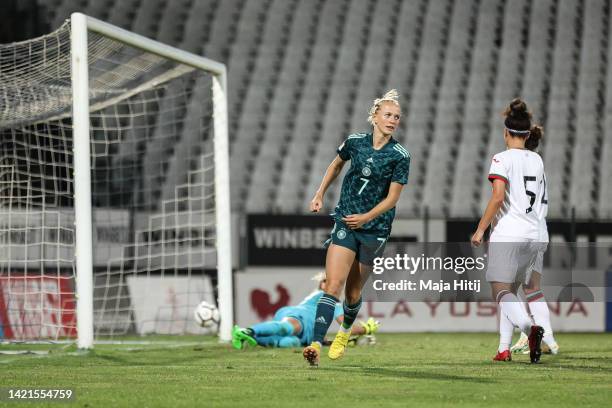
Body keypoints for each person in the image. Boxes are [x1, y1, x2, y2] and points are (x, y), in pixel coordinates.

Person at [302, 89, 410, 366]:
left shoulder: (400, 155)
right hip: (345, 221)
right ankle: (315, 344)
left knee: (352, 293)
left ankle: (346, 330)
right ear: (374, 116)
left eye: (396, 117)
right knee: (333, 284)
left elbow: (393, 198)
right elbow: (336, 165)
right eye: (387, 114)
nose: (392, 120)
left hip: (375, 229)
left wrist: (366, 218)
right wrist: (319, 194)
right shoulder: (354, 142)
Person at [471, 98, 546, 364]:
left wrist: (481, 229)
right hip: (533, 234)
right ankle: (503, 348)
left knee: (500, 291)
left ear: (506, 132)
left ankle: (529, 329)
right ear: (527, 135)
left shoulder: (501, 159)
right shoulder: (536, 159)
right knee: (512, 293)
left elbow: (498, 197)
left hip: (509, 232)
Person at [509, 128, 560, 356]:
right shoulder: (538, 165)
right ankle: (547, 338)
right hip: (540, 230)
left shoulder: (517, 164)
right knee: (531, 288)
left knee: (507, 288)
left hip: (522, 231)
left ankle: (530, 333)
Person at [231, 273, 379, 349]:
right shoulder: (326, 297)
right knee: (288, 328)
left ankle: (251, 339)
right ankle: (247, 331)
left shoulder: (329, 299)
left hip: (306, 334)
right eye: (327, 281)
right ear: (322, 284)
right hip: (298, 316)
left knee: (290, 342)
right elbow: (346, 325)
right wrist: (366, 328)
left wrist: (338, 342)